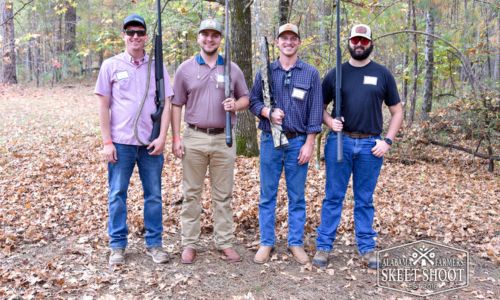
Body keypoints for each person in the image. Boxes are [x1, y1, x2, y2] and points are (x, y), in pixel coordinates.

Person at [312, 24, 403, 269]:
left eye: (363, 40)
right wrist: (330, 122)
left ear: (371, 43)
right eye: (355, 40)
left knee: (364, 199)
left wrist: (388, 141)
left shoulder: (383, 74)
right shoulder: (336, 74)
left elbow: (397, 111)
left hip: (370, 146)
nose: (359, 44)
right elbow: (317, 107)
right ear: (349, 43)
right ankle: (324, 246)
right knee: (333, 197)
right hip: (339, 143)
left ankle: (367, 247)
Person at [95, 13, 173, 266]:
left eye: (140, 32)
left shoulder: (157, 66)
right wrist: (107, 142)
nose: (135, 37)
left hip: (150, 143)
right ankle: (117, 245)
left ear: (146, 36)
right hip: (121, 143)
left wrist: (163, 136)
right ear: (124, 36)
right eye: (130, 32)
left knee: (154, 195)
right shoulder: (111, 65)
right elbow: (103, 105)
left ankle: (155, 244)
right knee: (117, 194)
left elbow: (168, 102)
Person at [171, 19, 249, 264]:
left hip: (223, 138)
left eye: (214, 35)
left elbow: (246, 98)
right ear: (198, 38)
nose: (209, 39)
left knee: (223, 195)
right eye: (205, 35)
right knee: (191, 193)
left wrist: (235, 105)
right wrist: (175, 137)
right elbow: (176, 105)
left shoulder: (231, 69)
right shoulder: (185, 69)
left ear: (219, 39)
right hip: (193, 137)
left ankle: (224, 241)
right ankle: (189, 243)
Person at [249, 23, 323, 265]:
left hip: (298, 142)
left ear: (298, 42)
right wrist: (268, 112)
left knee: (297, 197)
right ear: (277, 42)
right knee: (267, 195)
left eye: (293, 38)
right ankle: (266, 243)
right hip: (271, 140)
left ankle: (295, 243)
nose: (288, 42)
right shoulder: (266, 71)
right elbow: (253, 102)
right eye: (284, 38)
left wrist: (310, 143)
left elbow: (315, 111)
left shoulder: (310, 73)